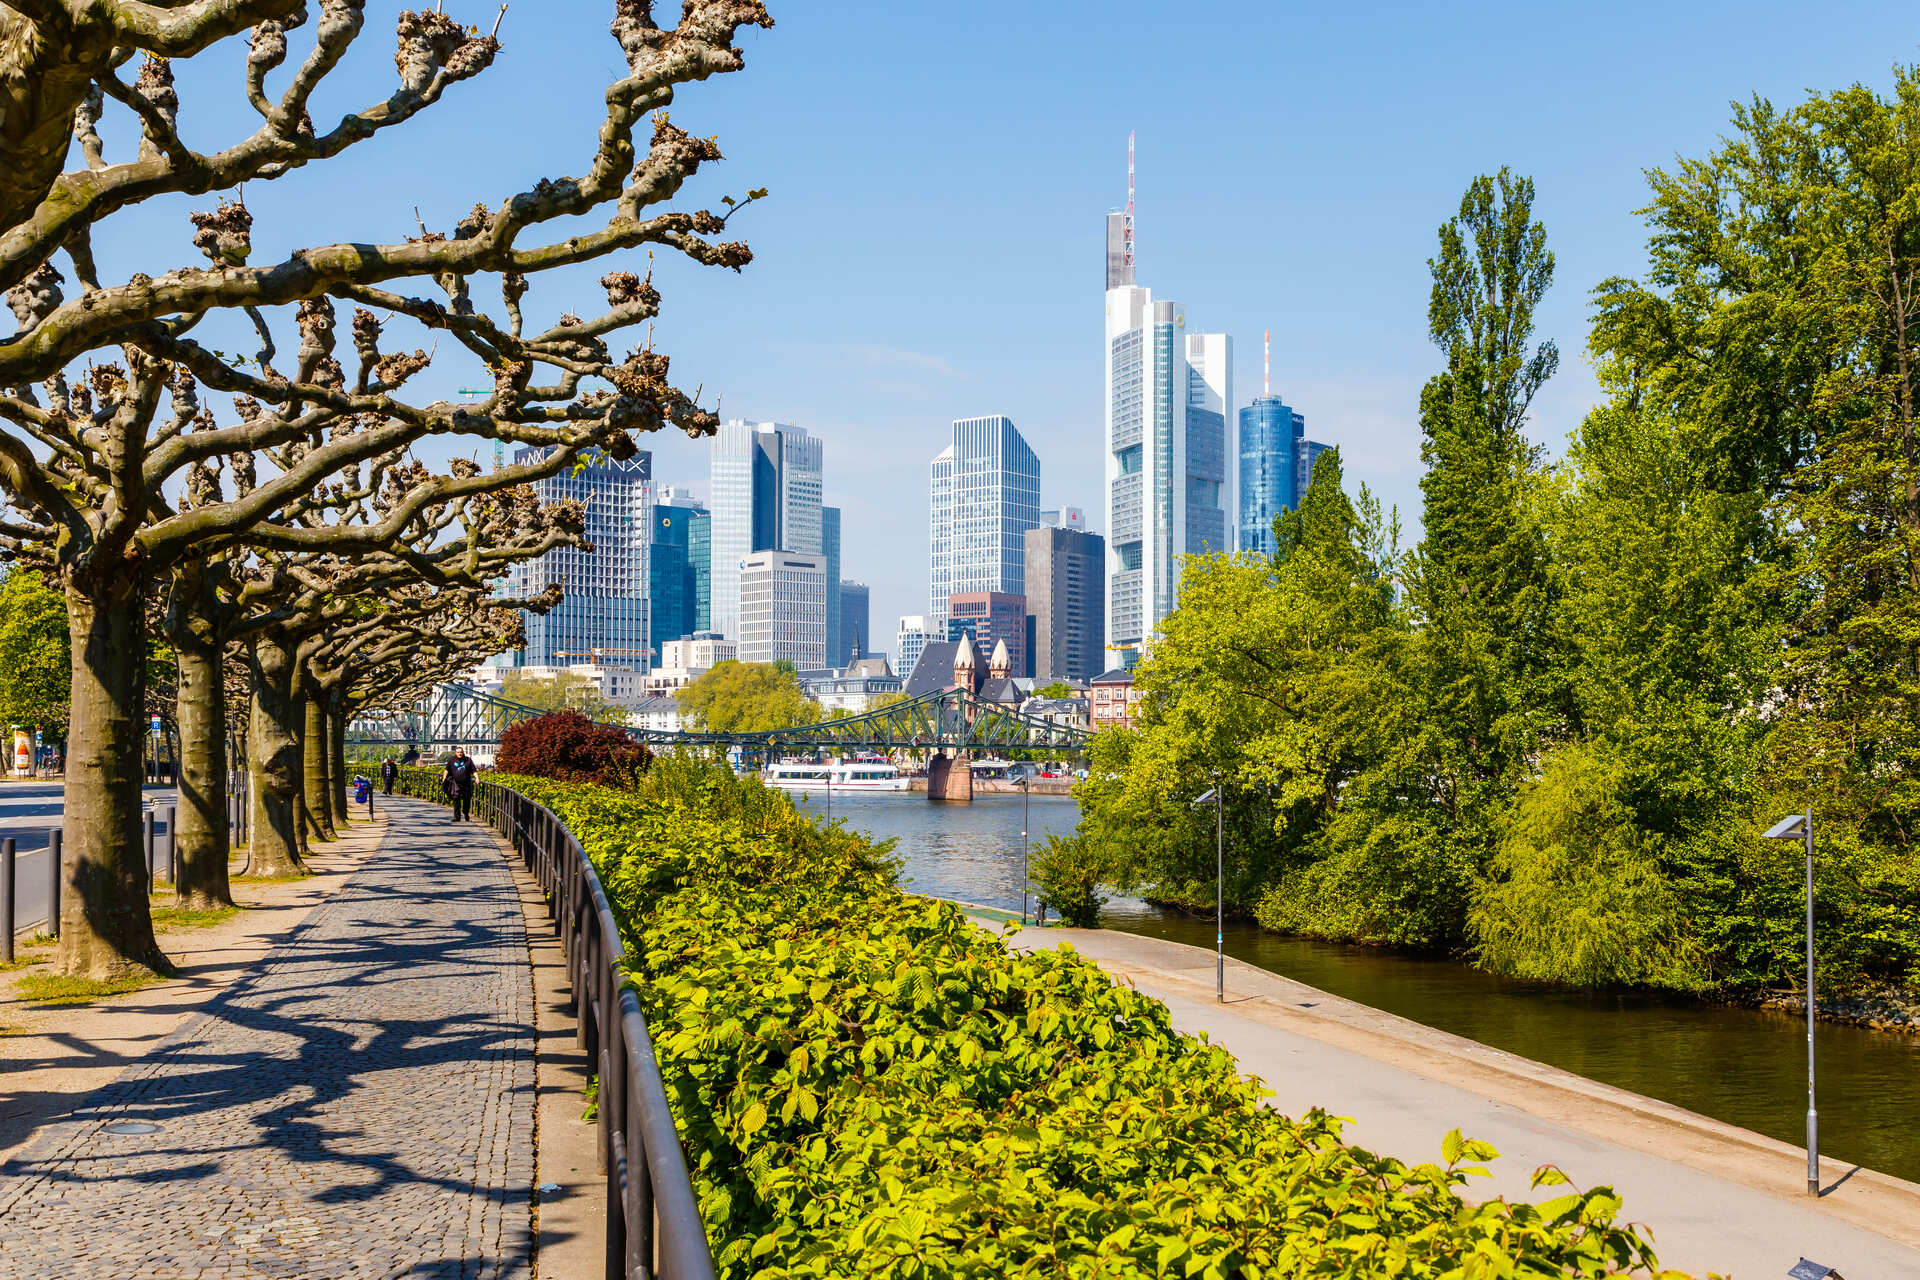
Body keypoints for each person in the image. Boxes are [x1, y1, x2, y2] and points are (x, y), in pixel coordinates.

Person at [442, 747, 477, 822]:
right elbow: (446, 770)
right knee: (456, 799)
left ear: (463, 752)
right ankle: (457, 817)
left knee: (466, 800)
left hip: (466, 783)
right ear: (455, 753)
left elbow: (473, 770)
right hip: (455, 783)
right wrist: (444, 778)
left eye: (461, 752)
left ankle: (466, 813)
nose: (459, 753)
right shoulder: (451, 760)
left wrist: (477, 778)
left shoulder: (468, 760)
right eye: (458, 752)